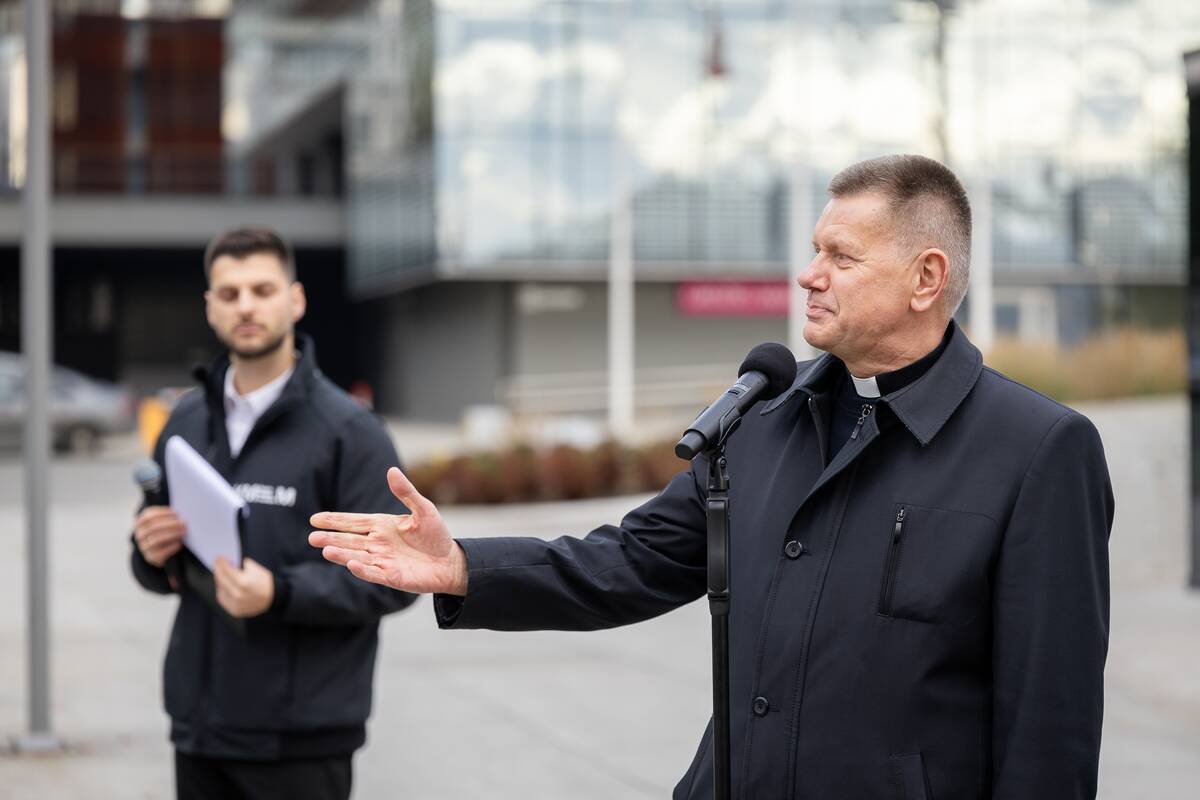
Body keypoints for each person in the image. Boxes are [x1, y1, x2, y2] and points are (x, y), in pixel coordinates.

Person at [309, 156, 1114, 799]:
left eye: (841, 255)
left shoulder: (1038, 451)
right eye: (813, 250)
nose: (809, 274)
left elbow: (1049, 730)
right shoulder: (762, 419)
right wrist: (464, 568)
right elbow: (629, 562)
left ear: (926, 278)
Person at [130, 226, 416, 800]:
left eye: (262, 289)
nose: (246, 306)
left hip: (302, 738)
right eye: (229, 294)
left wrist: (280, 593)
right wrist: (148, 552)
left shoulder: (350, 433)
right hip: (200, 726)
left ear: (296, 299)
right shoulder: (185, 422)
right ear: (210, 308)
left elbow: (393, 579)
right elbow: (154, 569)